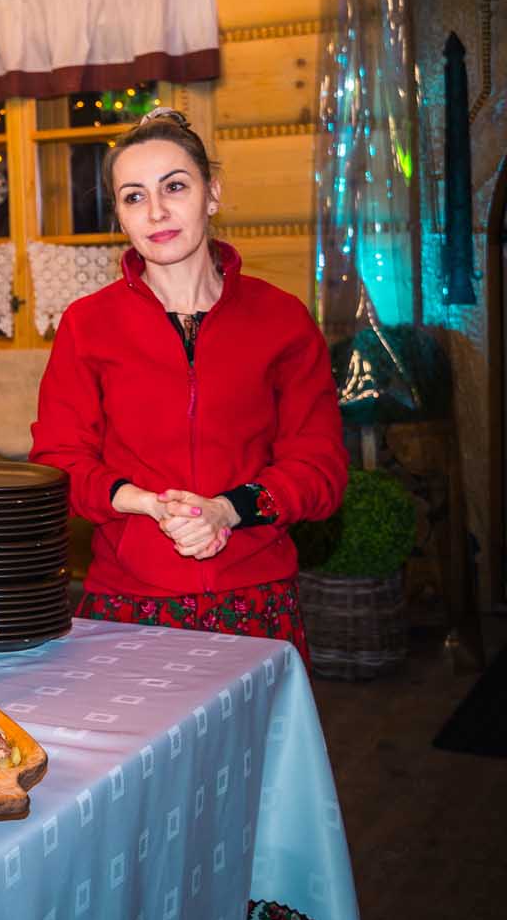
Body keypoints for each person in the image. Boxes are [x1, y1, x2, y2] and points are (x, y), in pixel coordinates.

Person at [30, 108, 347, 659]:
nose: (156, 211)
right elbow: (58, 461)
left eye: (174, 187)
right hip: (128, 598)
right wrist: (144, 503)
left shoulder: (282, 319)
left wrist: (228, 509)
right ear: (120, 217)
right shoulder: (87, 325)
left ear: (212, 194)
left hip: (256, 597)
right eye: (134, 196)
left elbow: (320, 466)